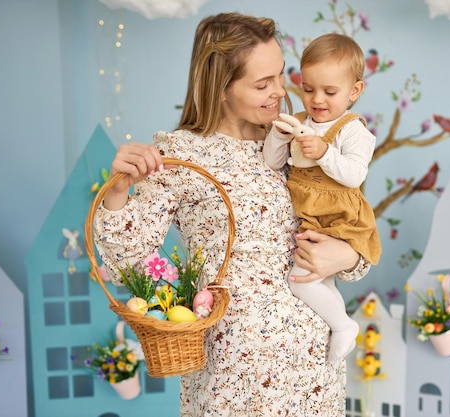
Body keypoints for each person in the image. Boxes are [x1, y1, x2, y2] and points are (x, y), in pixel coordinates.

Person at [93, 12, 371, 416]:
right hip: (232, 373)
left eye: (280, 75)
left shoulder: (301, 138)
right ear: (221, 87)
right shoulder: (181, 154)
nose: (280, 91)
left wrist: (349, 256)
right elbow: (126, 267)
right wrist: (118, 190)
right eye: (262, 84)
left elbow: (351, 224)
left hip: (314, 369)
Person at [263, 33, 381, 361]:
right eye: (308, 88)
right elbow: (272, 164)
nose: (317, 100)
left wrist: (325, 152)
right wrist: (278, 135)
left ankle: (344, 326)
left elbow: (355, 175)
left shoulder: (354, 130)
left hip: (337, 215)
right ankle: (335, 329)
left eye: (330, 92)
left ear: (355, 91)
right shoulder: (300, 122)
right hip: (310, 213)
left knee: (300, 281)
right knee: (318, 280)